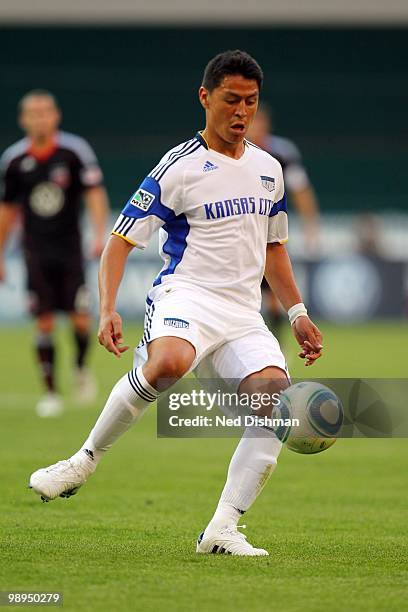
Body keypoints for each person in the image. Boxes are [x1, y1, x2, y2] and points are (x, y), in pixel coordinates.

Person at [29, 51, 323, 556]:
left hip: (241, 313)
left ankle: (222, 529)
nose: (241, 112)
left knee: (277, 405)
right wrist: (106, 308)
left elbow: (274, 249)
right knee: (167, 364)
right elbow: (119, 241)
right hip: (186, 295)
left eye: (250, 102)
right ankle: (83, 459)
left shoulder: (268, 169)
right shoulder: (178, 167)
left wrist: (296, 313)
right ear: (205, 98)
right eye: (231, 100)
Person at [0, 90, 109, 416]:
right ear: (23, 120)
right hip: (35, 253)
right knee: (44, 322)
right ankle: (50, 393)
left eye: (45, 112)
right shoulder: (15, 161)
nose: (39, 118)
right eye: (33, 113)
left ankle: (79, 367)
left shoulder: (74, 152)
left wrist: (100, 234)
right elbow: (7, 209)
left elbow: (95, 193)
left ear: (55, 116)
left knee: (80, 320)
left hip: (71, 250)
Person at [246, 103, 320, 342]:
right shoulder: (232, 153)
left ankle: (276, 346)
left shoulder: (282, 153)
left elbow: (301, 190)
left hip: (268, 234)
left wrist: (310, 226)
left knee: (272, 297)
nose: (256, 127)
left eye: (260, 121)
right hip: (237, 235)